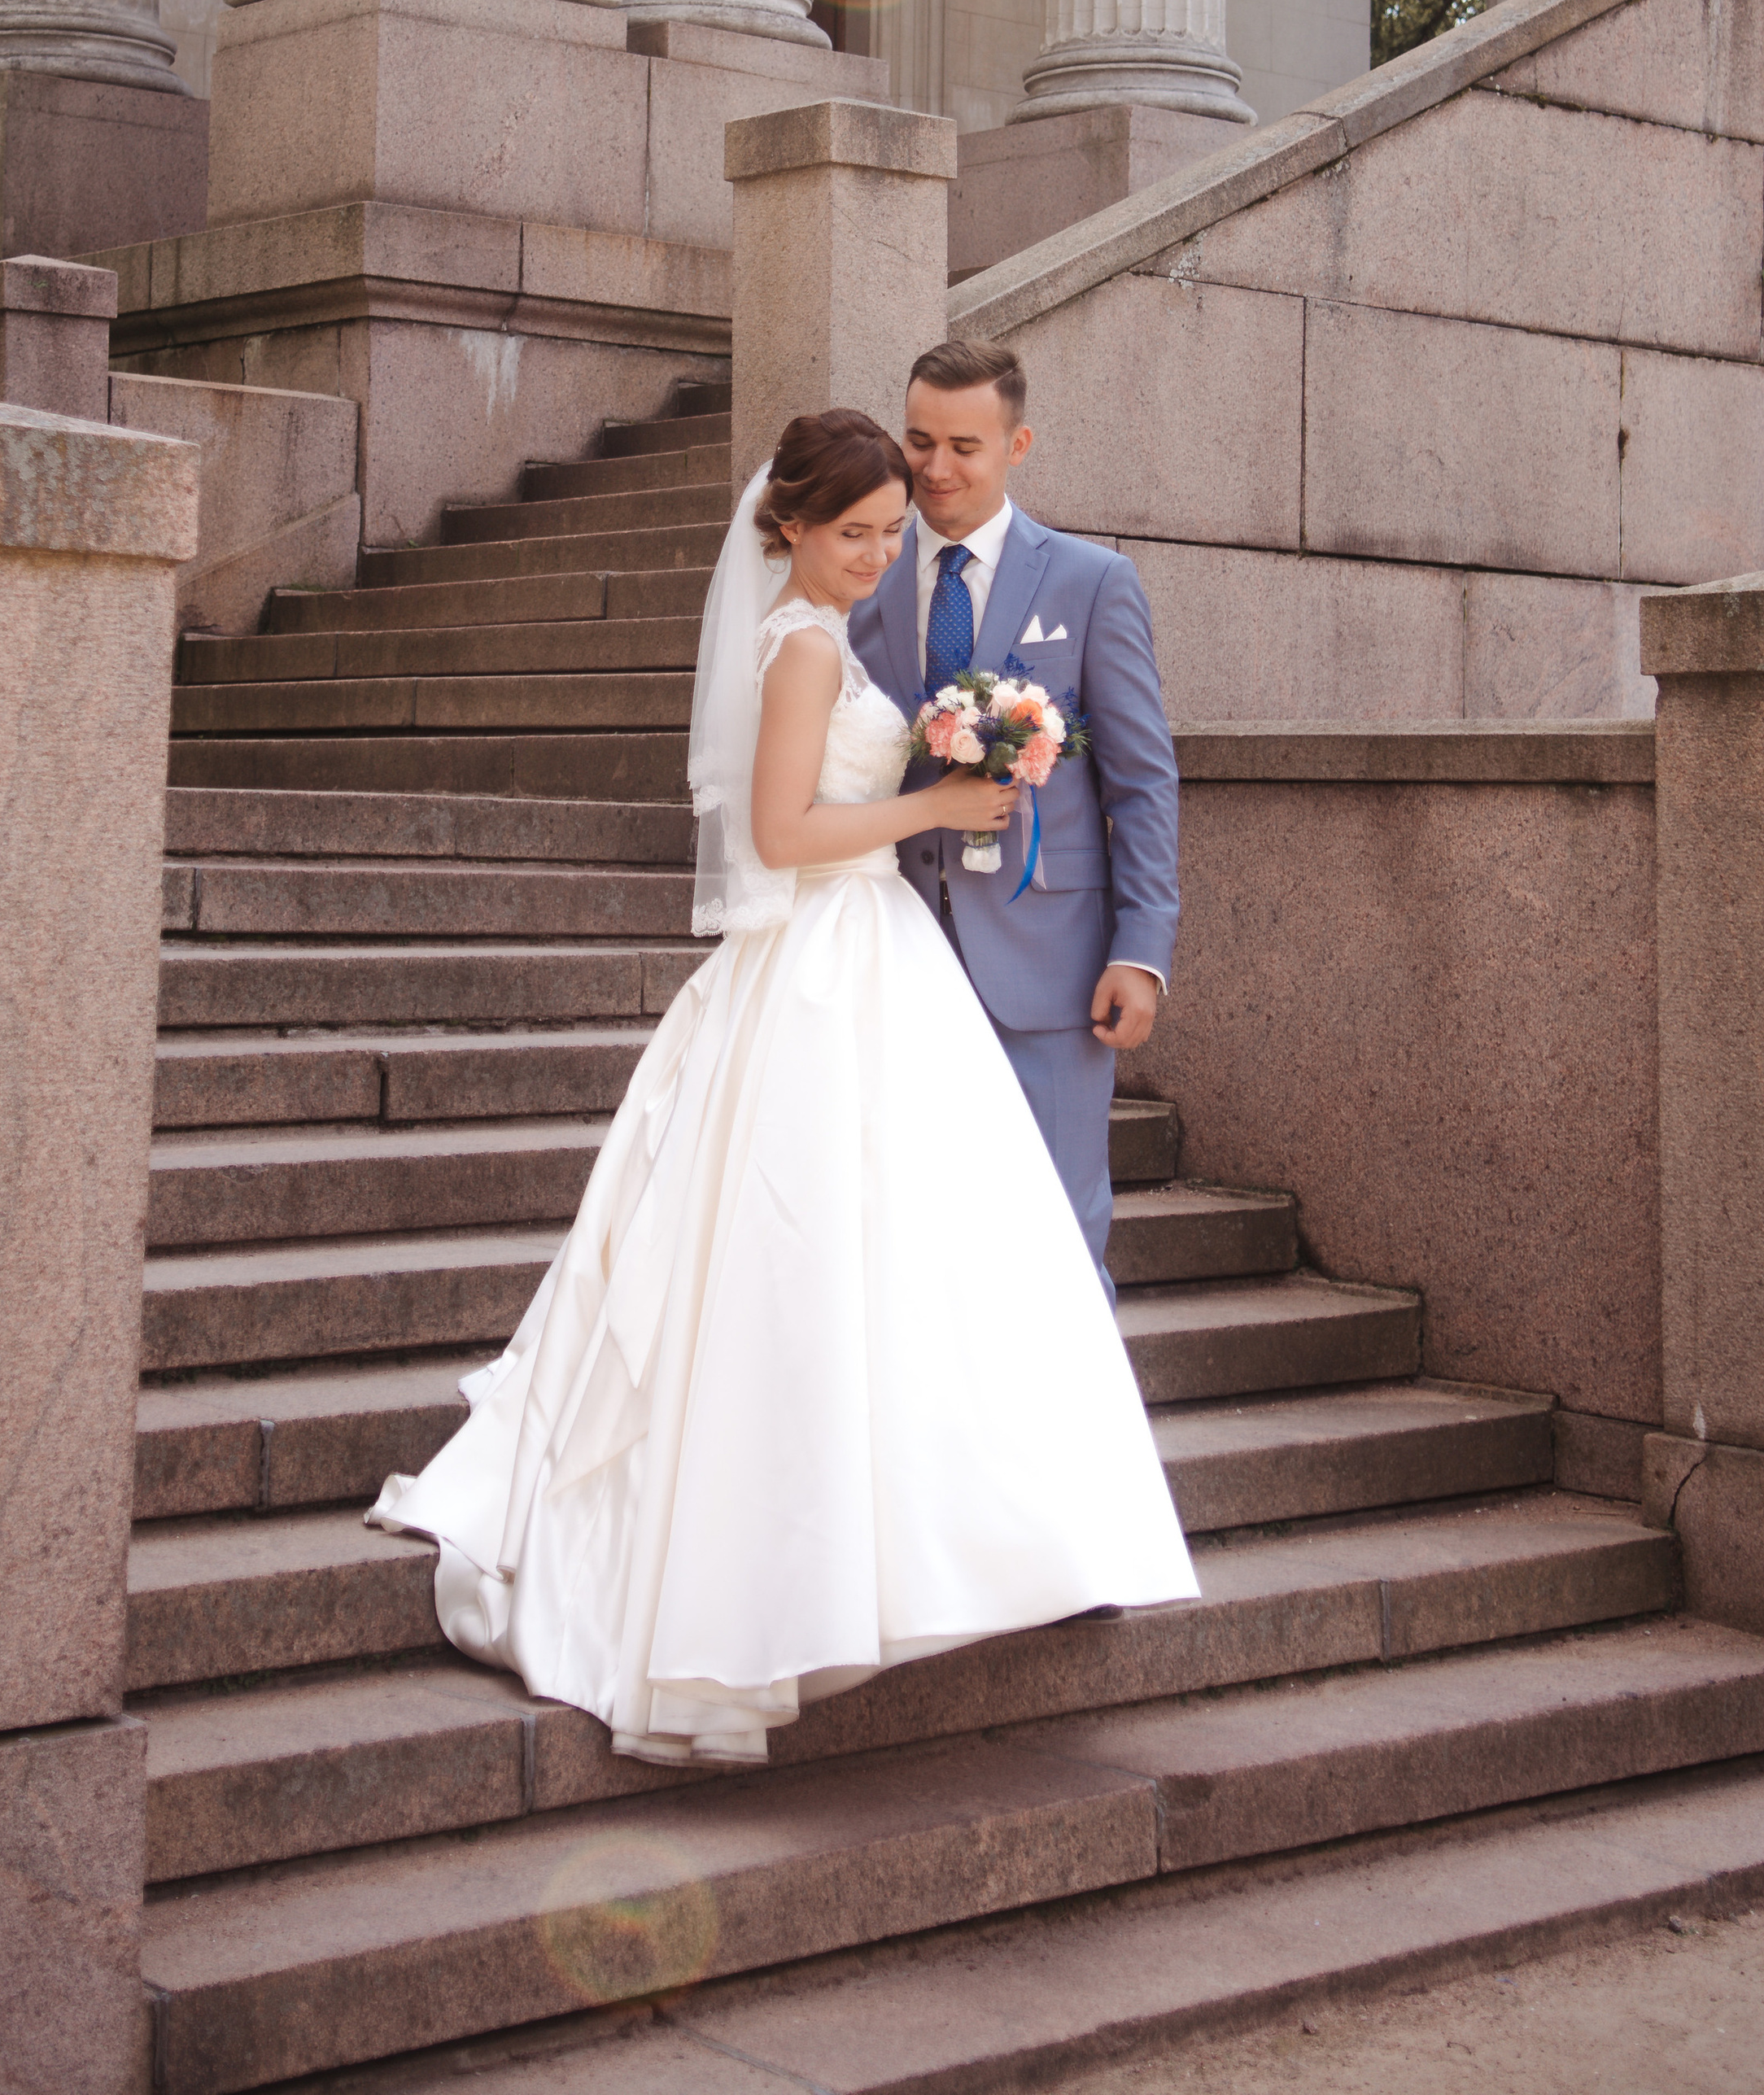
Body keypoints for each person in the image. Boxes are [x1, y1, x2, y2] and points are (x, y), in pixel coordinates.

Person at [367, 408, 1196, 1766]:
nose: (880, 553)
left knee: (920, 1258)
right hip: (826, 956)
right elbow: (781, 833)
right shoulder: (805, 643)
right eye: (854, 531)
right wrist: (936, 807)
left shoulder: (834, 633)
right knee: (806, 1256)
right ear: (789, 529)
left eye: (888, 530)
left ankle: (956, 1534)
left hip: (873, 958)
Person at [848, 338, 1180, 1306]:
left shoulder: (1090, 582)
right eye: (917, 442)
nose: (935, 470)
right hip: (891, 952)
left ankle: (1075, 1451)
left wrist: (1142, 948)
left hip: (1050, 959)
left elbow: (1142, 783)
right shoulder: (860, 575)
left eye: (963, 446)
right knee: (910, 1229)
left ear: (1017, 444)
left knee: (1057, 1226)